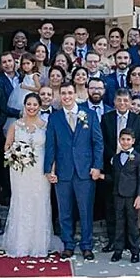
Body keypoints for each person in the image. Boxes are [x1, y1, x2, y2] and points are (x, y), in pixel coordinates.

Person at [45, 83, 104, 259]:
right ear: (59, 96)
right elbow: (50, 146)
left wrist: (97, 166)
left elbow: (98, 143)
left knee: (85, 210)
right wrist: (49, 169)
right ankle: (68, 244)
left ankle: (86, 246)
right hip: (63, 171)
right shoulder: (54, 118)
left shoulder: (90, 115)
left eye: (70, 93)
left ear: (76, 94)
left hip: (84, 171)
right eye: (63, 93)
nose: (67, 96)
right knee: (65, 212)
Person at [3, 93, 59, 257]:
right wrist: (16, 154)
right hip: (20, 170)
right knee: (21, 200)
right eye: (29, 104)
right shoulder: (16, 125)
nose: (32, 107)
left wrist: (52, 170)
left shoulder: (46, 125)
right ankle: (20, 242)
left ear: (40, 106)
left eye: (35, 104)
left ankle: (38, 243)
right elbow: (7, 145)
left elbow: (52, 150)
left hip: (40, 169)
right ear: (24, 105)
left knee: (39, 200)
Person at [107, 127, 140, 263]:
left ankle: (134, 251)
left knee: (132, 224)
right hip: (117, 194)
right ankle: (118, 250)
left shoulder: (138, 158)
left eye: (128, 140)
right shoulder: (116, 158)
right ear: (119, 140)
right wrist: (101, 176)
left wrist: (139, 196)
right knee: (119, 223)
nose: (125, 142)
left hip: (132, 196)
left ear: (133, 141)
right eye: (123, 139)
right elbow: (114, 176)